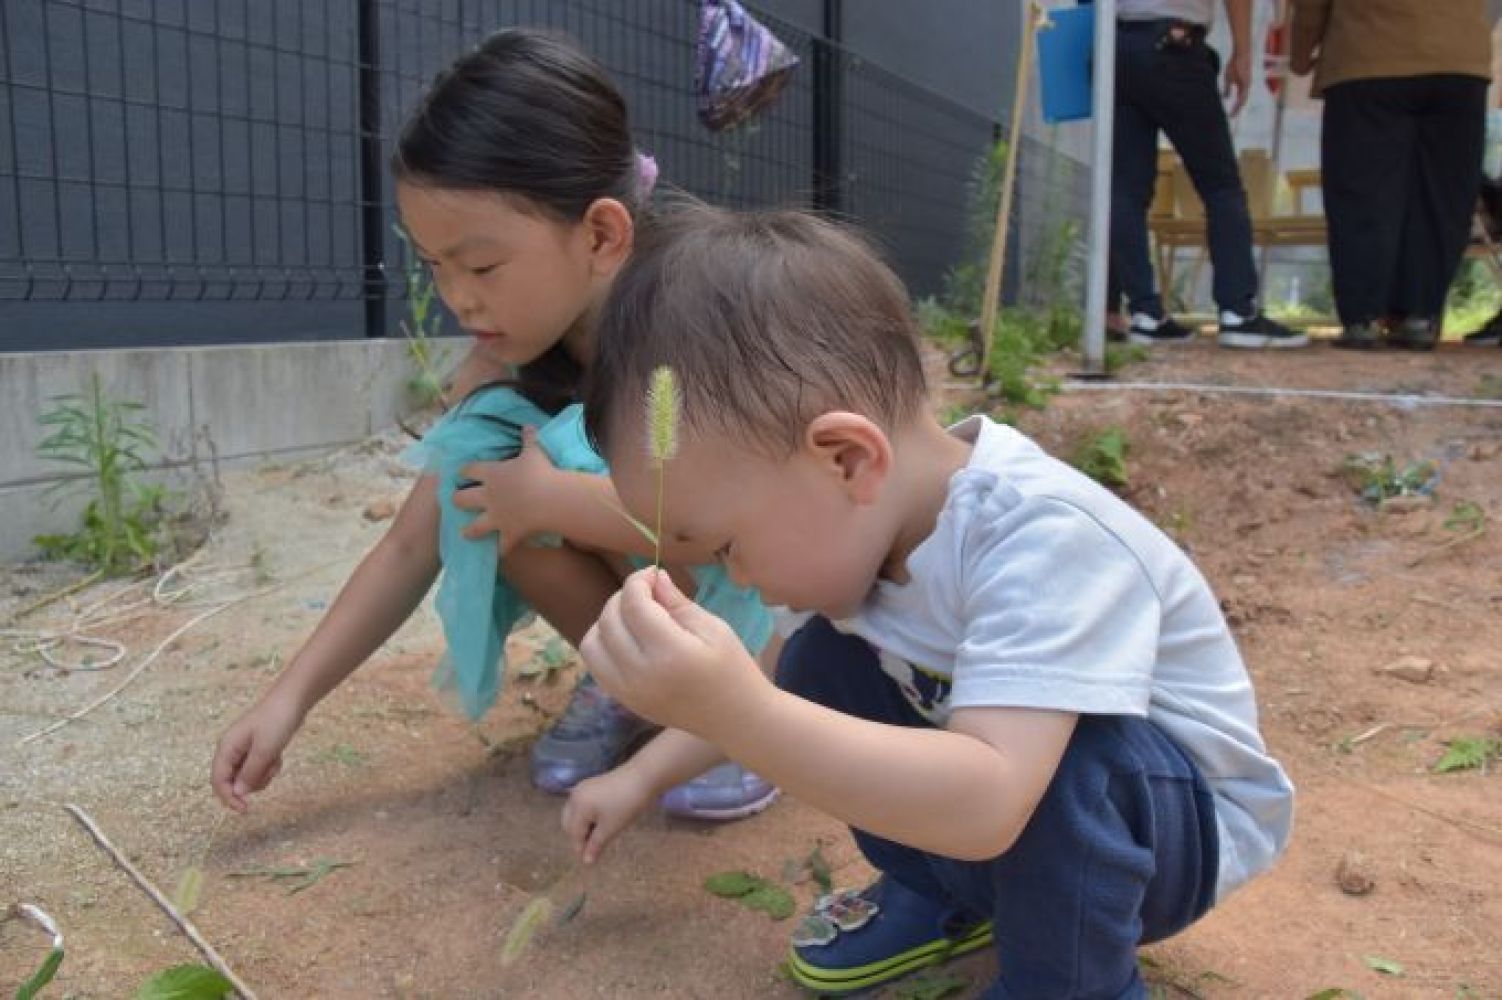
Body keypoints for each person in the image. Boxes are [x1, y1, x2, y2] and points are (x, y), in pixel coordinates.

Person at [568, 203, 1295, 997]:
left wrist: (740, 710)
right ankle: (945, 898)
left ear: (846, 461)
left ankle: (1070, 982)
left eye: (724, 547)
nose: (724, 580)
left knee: (1070, 762)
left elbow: (992, 798)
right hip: (1013, 811)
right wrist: (639, 777)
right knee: (817, 665)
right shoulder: (849, 540)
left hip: (1171, 833)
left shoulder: (1041, 538)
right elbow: (770, 682)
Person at [210, 29, 778, 824]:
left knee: (532, 498)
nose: (459, 298)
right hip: (664, 583)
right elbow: (411, 542)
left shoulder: (687, 333)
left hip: (758, 604)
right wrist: (287, 700)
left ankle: (741, 720)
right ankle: (639, 685)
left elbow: (706, 536)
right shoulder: (512, 358)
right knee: (487, 496)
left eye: (480, 266)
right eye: (434, 265)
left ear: (604, 234)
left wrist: (547, 501)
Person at [1291, 0, 1492, 350]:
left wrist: (1301, 50)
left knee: (1363, 192)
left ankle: (1362, 317)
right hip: (1460, 62)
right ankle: (1420, 314)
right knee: (1441, 198)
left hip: (1368, 58)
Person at [1112, 0, 1306, 348]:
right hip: (1175, 45)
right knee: (1221, 186)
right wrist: (1243, 53)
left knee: (1127, 189)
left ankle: (1145, 312)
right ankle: (1237, 310)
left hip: (1118, 44)